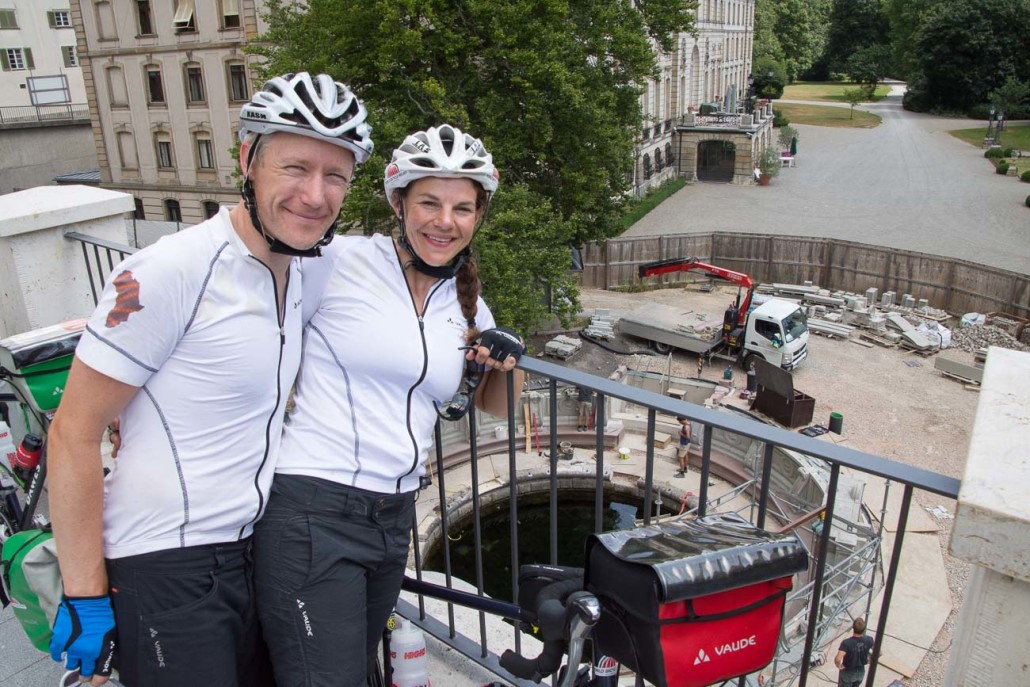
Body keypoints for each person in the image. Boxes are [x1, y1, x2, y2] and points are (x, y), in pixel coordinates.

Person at [45, 72, 373, 686]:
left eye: (336, 176)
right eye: (295, 168)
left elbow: (412, 260)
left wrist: (479, 330)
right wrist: (84, 594)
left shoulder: (306, 270)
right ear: (248, 160)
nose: (315, 194)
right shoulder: (172, 269)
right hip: (165, 561)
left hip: (253, 550)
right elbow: (73, 434)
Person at [253, 123, 526, 686]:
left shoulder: (468, 304)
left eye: (462, 208)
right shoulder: (334, 261)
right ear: (398, 203)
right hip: (313, 506)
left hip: (393, 515)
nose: (444, 221)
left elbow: (495, 406)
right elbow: (250, 329)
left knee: (358, 667)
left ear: (478, 216)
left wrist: (511, 361)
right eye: (429, 202)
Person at [834, 617, 875, 687]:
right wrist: (870, 659)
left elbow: (838, 659)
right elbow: (879, 653)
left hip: (848, 672)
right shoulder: (869, 639)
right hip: (860, 671)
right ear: (864, 629)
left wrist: (838, 665)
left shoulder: (847, 643)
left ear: (853, 627)